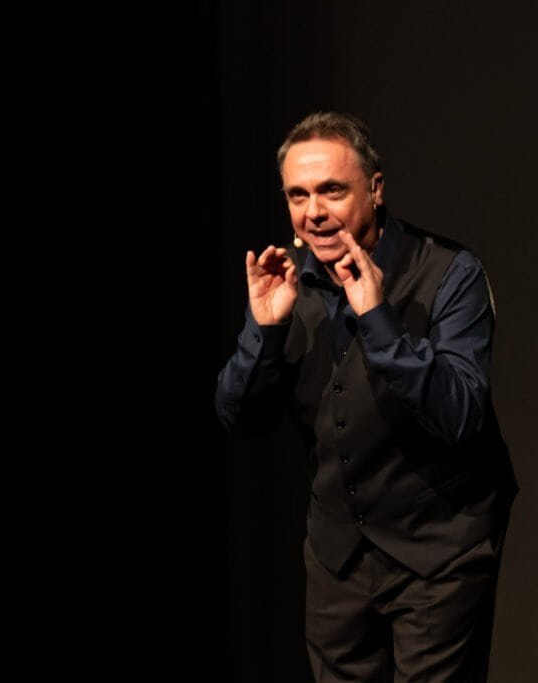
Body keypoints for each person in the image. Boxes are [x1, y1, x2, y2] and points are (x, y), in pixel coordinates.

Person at [215, 111, 517, 682]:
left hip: (439, 550)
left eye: (332, 190)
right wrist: (266, 331)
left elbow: (460, 416)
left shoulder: (449, 274)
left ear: (375, 189)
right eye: (298, 195)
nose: (313, 212)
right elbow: (240, 419)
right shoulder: (288, 281)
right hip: (339, 558)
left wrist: (378, 319)